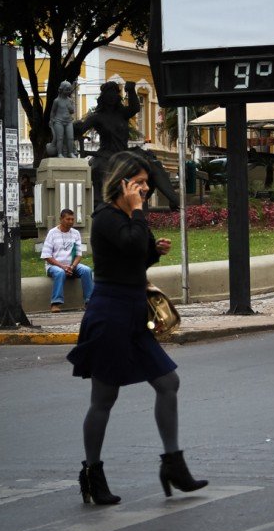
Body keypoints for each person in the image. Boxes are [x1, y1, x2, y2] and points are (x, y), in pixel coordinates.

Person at [67, 150, 207, 506]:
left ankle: (173, 465)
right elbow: (128, 242)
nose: (145, 189)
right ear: (123, 183)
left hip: (133, 312)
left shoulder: (129, 216)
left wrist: (155, 252)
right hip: (109, 313)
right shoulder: (106, 217)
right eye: (140, 183)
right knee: (104, 398)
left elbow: (135, 255)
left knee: (168, 382)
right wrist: (139, 214)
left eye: (146, 184)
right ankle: (92, 475)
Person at [74, 81, 180, 211]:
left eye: (114, 92)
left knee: (153, 163)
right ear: (103, 96)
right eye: (109, 93)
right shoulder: (97, 117)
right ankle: (102, 205)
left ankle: (174, 199)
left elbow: (135, 108)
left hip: (125, 153)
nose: (112, 96)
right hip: (106, 155)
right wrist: (75, 127)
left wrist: (130, 90)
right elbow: (80, 130)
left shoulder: (122, 113)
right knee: (98, 171)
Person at [40, 209, 94, 312]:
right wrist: (62, 266)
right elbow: (46, 256)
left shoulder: (76, 233)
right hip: (54, 266)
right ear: (61, 219)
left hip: (71, 266)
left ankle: (89, 302)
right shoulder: (52, 233)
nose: (70, 221)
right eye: (68, 219)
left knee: (86, 270)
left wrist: (72, 266)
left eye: (72, 219)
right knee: (60, 272)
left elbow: (78, 255)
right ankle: (55, 304)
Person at [50, 80, 76, 158]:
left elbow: (72, 111)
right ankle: (59, 153)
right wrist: (51, 120)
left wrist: (71, 108)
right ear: (61, 90)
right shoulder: (56, 101)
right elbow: (53, 111)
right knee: (60, 138)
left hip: (68, 121)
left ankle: (70, 153)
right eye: (67, 89)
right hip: (59, 121)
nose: (68, 91)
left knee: (70, 137)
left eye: (69, 89)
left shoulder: (70, 100)